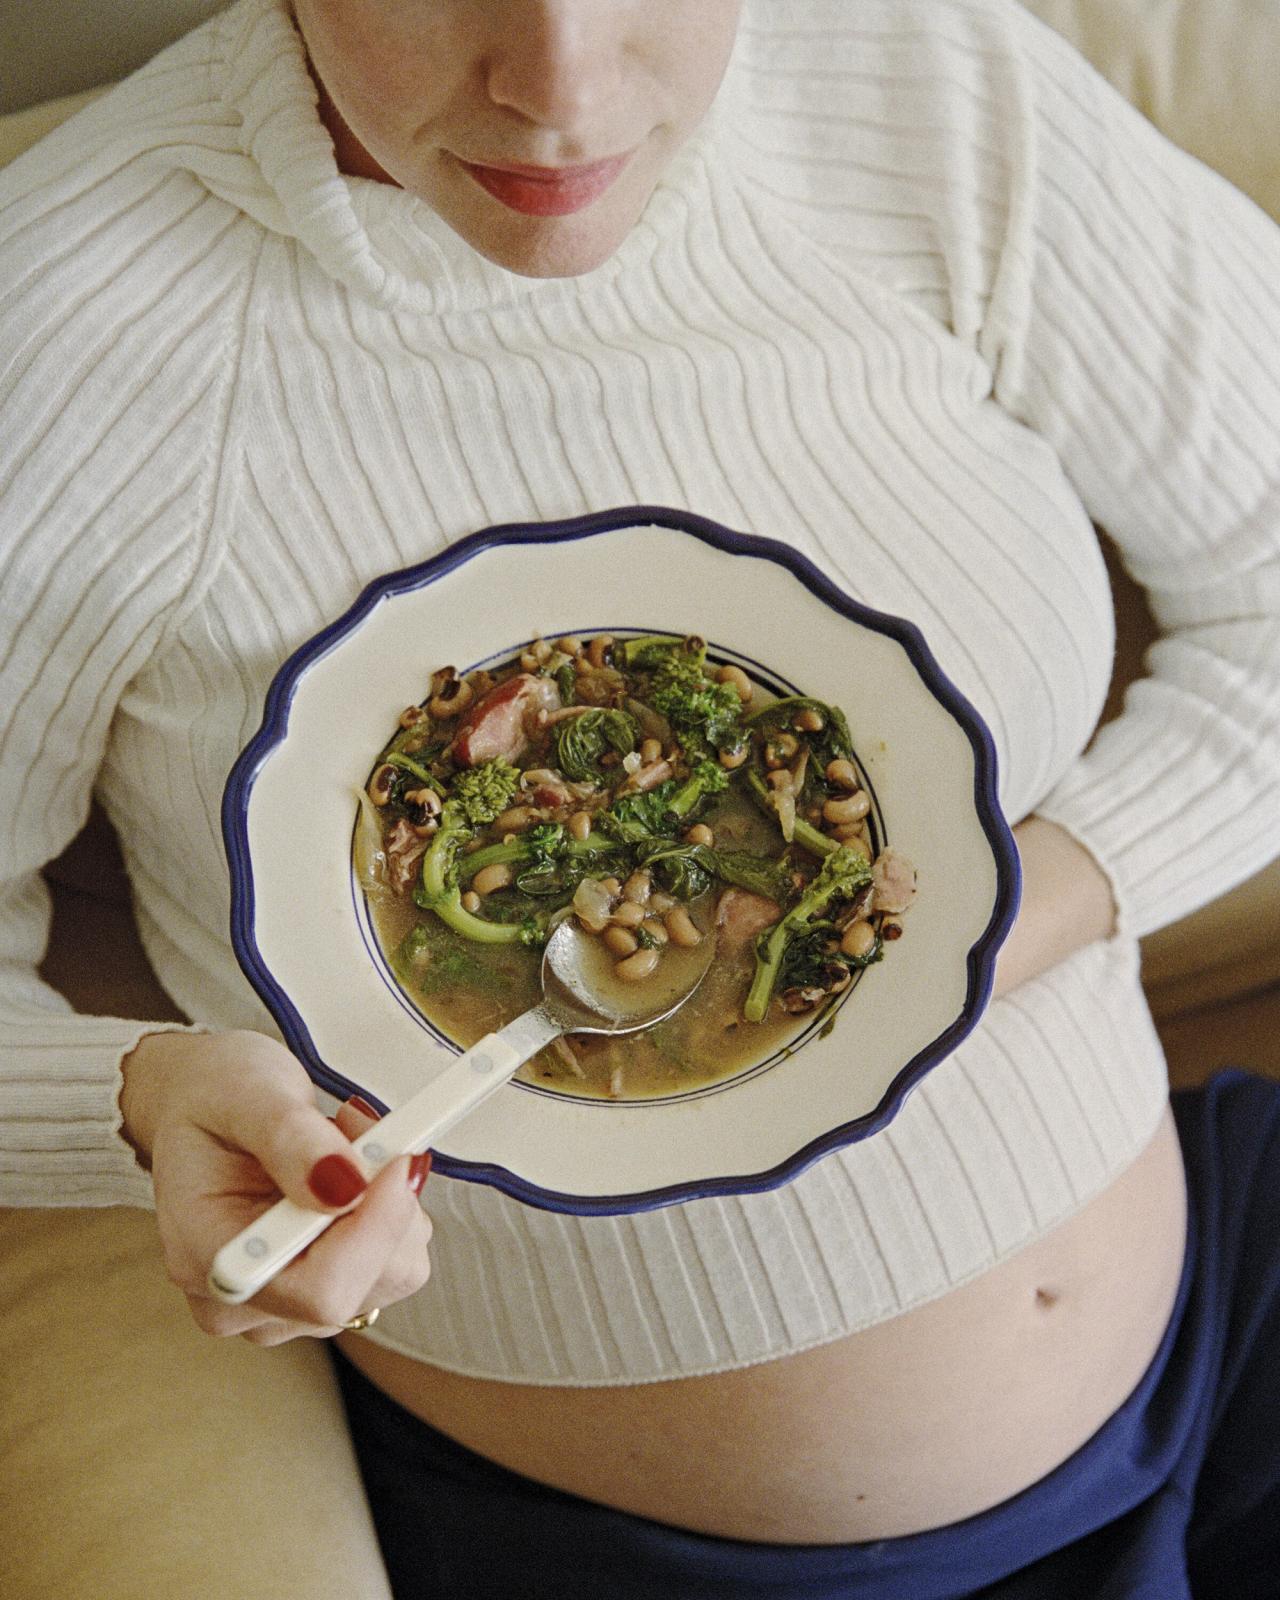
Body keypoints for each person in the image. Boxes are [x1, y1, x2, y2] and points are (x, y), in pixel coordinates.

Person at [2, 1, 1279, 1594]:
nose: (561, 91)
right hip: (658, 1552)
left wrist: (1014, 912)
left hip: (1224, 1302)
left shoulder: (929, 86)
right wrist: (137, 1098)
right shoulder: (59, 321)